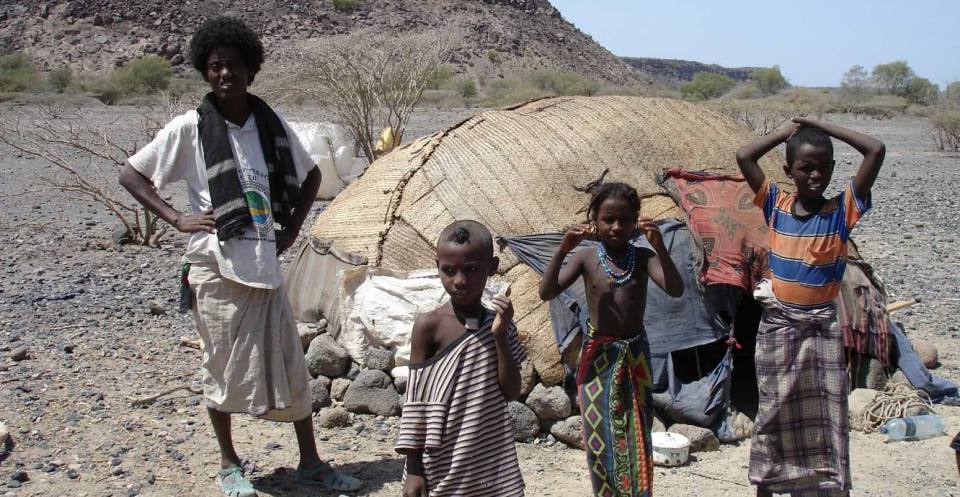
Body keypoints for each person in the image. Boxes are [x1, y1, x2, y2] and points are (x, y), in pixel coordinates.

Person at [118, 16, 361, 496]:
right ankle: (230, 465)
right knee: (220, 365)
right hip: (214, 264)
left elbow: (311, 175)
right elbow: (132, 174)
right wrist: (177, 218)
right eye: (214, 67)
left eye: (233, 65)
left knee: (291, 365)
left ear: (251, 70)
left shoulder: (268, 125)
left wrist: (291, 228)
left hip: (264, 264)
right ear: (204, 72)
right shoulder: (190, 128)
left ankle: (311, 462)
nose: (223, 74)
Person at [736, 117, 886, 497]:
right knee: (773, 409)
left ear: (834, 168)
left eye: (823, 166)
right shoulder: (775, 204)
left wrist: (823, 126)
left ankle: (825, 485)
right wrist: (787, 132)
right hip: (779, 328)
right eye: (806, 167)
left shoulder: (842, 212)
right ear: (789, 171)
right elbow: (744, 154)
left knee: (825, 411)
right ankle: (769, 483)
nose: (815, 174)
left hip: (821, 330)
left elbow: (875, 150)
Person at [538, 182, 684, 497]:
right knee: (599, 433)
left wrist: (659, 246)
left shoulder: (643, 256)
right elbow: (546, 292)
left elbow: (675, 289)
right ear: (595, 220)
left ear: (636, 221)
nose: (616, 227)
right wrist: (563, 249)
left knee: (637, 431)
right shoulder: (586, 257)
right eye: (608, 219)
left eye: (625, 220)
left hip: (635, 354)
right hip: (598, 357)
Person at [395, 220, 526, 497]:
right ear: (438, 266)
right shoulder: (428, 326)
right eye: (449, 271)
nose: (460, 281)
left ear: (492, 267)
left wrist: (500, 336)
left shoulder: (500, 324)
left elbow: (512, 391)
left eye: (472, 270)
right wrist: (414, 468)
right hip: (439, 459)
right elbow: (415, 401)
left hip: (489, 460)